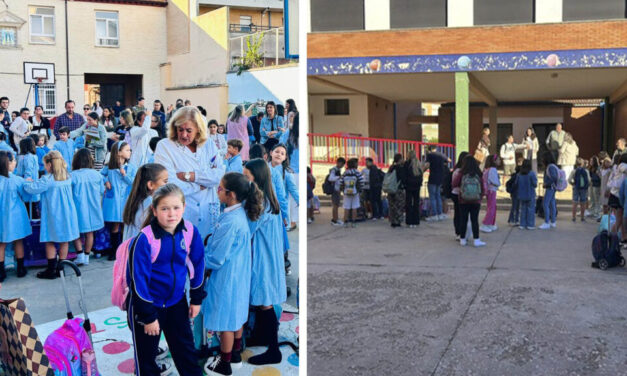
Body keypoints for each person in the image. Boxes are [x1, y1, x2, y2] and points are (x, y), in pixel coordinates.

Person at [127, 183, 205, 376]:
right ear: (154, 210)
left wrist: (196, 299)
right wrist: (148, 317)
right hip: (147, 307)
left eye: (176, 207)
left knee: (186, 352)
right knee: (146, 360)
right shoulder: (144, 239)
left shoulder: (190, 231)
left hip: (177, 303)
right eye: (164, 208)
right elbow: (138, 282)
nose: (171, 214)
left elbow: (197, 265)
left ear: (184, 208)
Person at [202, 172, 263, 375]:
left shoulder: (230, 221)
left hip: (227, 275)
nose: (217, 191)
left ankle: (224, 363)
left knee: (225, 320)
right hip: (239, 273)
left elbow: (217, 257)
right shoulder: (239, 214)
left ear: (232, 194)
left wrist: (201, 261)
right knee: (236, 316)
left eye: (220, 188)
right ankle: (235, 354)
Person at [153, 106, 225, 239]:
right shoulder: (165, 146)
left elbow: (219, 175)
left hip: (208, 211)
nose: (184, 134)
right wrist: (199, 185)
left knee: (205, 253)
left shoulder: (209, 145)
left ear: (199, 129)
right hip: (182, 214)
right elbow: (169, 185)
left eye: (189, 130)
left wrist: (191, 176)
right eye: (180, 130)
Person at [242, 159, 286, 366]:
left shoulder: (261, 203)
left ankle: (273, 350)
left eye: (247, 176)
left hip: (263, 258)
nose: (244, 179)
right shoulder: (269, 198)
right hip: (268, 256)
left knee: (264, 302)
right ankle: (265, 340)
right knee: (263, 301)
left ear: (256, 177)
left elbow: (247, 231)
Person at [23, 151, 80, 279]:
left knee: (50, 240)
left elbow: (31, 188)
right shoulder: (67, 177)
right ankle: (61, 268)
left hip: (54, 214)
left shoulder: (47, 179)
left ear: (49, 164)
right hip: (67, 213)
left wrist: (26, 182)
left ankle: (51, 269)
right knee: (64, 240)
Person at [101, 141, 137, 260]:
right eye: (127, 150)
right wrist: (106, 181)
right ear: (118, 152)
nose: (129, 152)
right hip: (114, 200)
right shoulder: (109, 167)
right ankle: (114, 250)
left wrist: (124, 175)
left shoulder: (131, 168)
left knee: (125, 224)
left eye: (129, 150)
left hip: (126, 200)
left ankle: (125, 249)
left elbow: (133, 182)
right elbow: (100, 175)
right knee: (115, 225)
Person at [70, 149, 105, 266]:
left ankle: (80, 254)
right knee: (90, 232)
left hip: (78, 208)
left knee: (76, 232)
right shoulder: (97, 174)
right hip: (93, 207)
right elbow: (101, 191)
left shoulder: (72, 176)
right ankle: (86, 255)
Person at [0, 151, 30, 281]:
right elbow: (26, 195)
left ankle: (1, 272)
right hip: (16, 215)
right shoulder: (17, 180)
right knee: (18, 241)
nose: (15, 163)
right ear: (8, 164)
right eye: (13, 161)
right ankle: (21, 268)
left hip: (2, 215)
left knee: (1, 243)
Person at [122, 163, 168, 241]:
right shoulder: (151, 205)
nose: (167, 185)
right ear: (150, 185)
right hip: (141, 250)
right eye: (165, 181)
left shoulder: (135, 200)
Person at [452, 155, 486, 247]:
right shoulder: (478, 173)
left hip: (463, 200)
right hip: (476, 200)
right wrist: (480, 196)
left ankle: (462, 239)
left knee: (464, 219)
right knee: (474, 220)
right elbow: (483, 187)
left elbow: (454, 184)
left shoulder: (461, 173)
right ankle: (476, 240)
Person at [269, 144, 298, 231]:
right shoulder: (263, 168)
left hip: (279, 209)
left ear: (285, 157)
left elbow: (293, 190)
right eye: (277, 152)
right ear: (271, 153)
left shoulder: (287, 173)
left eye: (282, 153)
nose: (279, 154)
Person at [15, 138, 40, 219]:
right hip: (33, 187)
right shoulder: (33, 156)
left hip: (28, 188)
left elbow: (28, 172)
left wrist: (25, 182)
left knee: (30, 212)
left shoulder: (27, 157)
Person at [425, 145, 449, 221]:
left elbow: (427, 165)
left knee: (432, 196)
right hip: (440, 178)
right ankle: (440, 213)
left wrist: (422, 171)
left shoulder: (430, 155)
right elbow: (449, 160)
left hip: (433, 177)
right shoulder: (441, 155)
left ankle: (434, 214)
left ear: (430, 150)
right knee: (438, 195)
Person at [340, 158, 364, 227]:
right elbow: (361, 182)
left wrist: (342, 190)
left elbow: (341, 182)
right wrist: (360, 190)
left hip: (346, 192)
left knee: (346, 207)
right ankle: (353, 222)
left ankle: (346, 222)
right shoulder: (357, 172)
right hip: (355, 192)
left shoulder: (345, 173)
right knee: (354, 207)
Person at [539, 152, 560, 229]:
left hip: (550, 187)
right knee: (552, 203)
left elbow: (554, 177)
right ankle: (553, 221)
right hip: (553, 187)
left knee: (545, 204)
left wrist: (547, 183)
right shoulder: (553, 166)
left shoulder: (550, 167)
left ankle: (547, 221)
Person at [451, 152, 469, 240]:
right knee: (459, 214)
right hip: (459, 194)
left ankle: (460, 232)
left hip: (458, 193)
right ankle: (459, 232)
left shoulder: (457, 170)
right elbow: (454, 183)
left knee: (459, 214)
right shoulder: (459, 171)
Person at [480, 155, 501, 233]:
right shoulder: (492, 169)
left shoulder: (487, 169)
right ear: (494, 161)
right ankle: (485, 223)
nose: (499, 161)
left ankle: (490, 223)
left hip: (490, 190)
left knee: (492, 207)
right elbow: (494, 181)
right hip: (492, 190)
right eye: (498, 160)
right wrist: (499, 183)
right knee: (492, 208)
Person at [403, 150, 423, 228]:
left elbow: (404, 175)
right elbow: (421, 175)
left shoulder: (407, 164)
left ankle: (409, 221)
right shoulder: (418, 164)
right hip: (417, 186)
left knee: (408, 203)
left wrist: (405, 184)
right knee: (416, 203)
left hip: (409, 186)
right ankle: (416, 221)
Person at [516, 159, 537, 230]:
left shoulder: (519, 174)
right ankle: (530, 224)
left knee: (523, 209)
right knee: (530, 209)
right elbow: (535, 184)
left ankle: (522, 224)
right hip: (530, 193)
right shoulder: (531, 173)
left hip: (521, 194)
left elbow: (516, 183)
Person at [286, 113, 299, 229]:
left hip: (291, 170)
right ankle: (293, 221)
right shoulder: (293, 135)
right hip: (296, 171)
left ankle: (292, 221)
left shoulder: (290, 134)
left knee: (290, 197)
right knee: (295, 197)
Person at [569, 157, 590, 222]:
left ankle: (573, 217)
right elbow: (589, 180)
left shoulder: (574, 171)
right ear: (583, 163)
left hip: (576, 187)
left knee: (575, 202)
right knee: (583, 203)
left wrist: (573, 184)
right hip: (583, 189)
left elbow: (569, 179)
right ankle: (582, 217)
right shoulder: (586, 171)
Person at [387, 153, 406, 228]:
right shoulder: (401, 168)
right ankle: (398, 221)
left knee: (392, 205)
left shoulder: (391, 167)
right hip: (398, 188)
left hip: (390, 188)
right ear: (400, 159)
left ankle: (393, 221)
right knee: (399, 205)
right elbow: (403, 179)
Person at [328, 157, 345, 226]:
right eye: (342, 164)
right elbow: (330, 178)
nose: (342, 166)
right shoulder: (334, 170)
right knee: (335, 205)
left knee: (337, 205)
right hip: (335, 189)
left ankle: (336, 219)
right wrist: (339, 177)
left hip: (337, 189)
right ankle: (334, 220)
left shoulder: (337, 170)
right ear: (339, 162)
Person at [506, 161, 522, 226]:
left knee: (517, 207)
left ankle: (516, 219)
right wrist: (511, 190)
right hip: (515, 193)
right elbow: (509, 183)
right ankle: (512, 220)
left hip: (516, 193)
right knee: (515, 207)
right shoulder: (516, 176)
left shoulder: (516, 176)